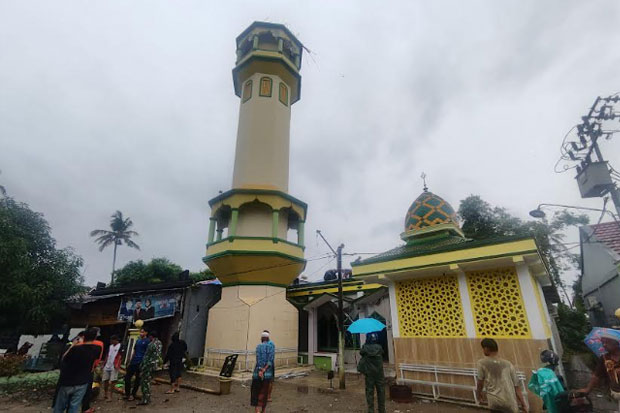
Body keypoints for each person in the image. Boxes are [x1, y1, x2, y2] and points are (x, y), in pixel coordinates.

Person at [53, 328, 100, 413]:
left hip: (68, 381)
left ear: (83, 337)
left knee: (60, 406)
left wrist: (72, 345)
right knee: (74, 406)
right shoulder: (96, 349)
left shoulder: (76, 349)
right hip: (83, 382)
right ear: (95, 338)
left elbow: (63, 359)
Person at [476, 338, 529, 413]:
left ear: (486, 349)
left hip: (495, 403)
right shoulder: (508, 364)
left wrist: (478, 394)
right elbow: (516, 386)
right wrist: (523, 404)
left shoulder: (482, 363)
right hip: (511, 403)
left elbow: (480, 382)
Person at [577, 334, 620, 410]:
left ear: (616, 343)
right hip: (616, 391)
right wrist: (588, 389)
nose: (604, 345)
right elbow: (596, 376)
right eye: (603, 342)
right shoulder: (604, 358)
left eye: (607, 342)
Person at [358, 332, 385, 413]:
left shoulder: (365, 347)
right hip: (379, 374)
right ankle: (382, 410)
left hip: (369, 374)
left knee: (369, 392)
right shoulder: (379, 347)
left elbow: (361, 353)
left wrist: (365, 344)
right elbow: (382, 353)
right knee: (381, 392)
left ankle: (371, 410)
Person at [250, 331, 275, 413]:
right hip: (267, 374)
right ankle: (263, 410)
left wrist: (260, 370)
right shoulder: (271, 346)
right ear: (268, 338)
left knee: (256, 391)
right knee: (264, 392)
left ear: (261, 338)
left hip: (257, 373)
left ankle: (256, 410)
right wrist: (264, 369)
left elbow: (258, 359)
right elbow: (270, 360)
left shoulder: (258, 346)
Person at [81, 328, 104, 413]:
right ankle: (85, 408)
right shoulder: (99, 345)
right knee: (87, 389)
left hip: (75, 371)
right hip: (89, 370)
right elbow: (98, 359)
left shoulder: (78, 344)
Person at [138, 330, 162, 406]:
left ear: (151, 336)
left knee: (144, 382)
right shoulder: (159, 343)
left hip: (148, 365)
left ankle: (145, 399)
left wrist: (142, 366)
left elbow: (147, 356)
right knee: (148, 381)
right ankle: (147, 398)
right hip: (154, 365)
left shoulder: (151, 344)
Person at [125, 328, 149, 401]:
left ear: (146, 333)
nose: (141, 333)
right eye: (140, 332)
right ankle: (127, 394)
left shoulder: (147, 341)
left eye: (142, 332)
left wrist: (144, 363)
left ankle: (133, 394)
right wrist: (130, 360)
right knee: (127, 378)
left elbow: (147, 353)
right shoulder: (138, 341)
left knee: (137, 379)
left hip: (141, 362)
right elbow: (134, 351)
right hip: (134, 361)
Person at [102, 335, 121, 402]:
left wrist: (117, 364)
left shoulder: (120, 346)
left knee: (113, 381)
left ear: (115, 340)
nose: (111, 341)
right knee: (105, 380)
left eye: (112, 340)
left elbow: (120, 356)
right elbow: (107, 355)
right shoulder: (110, 346)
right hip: (107, 365)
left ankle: (110, 396)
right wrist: (104, 363)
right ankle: (105, 393)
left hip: (114, 365)